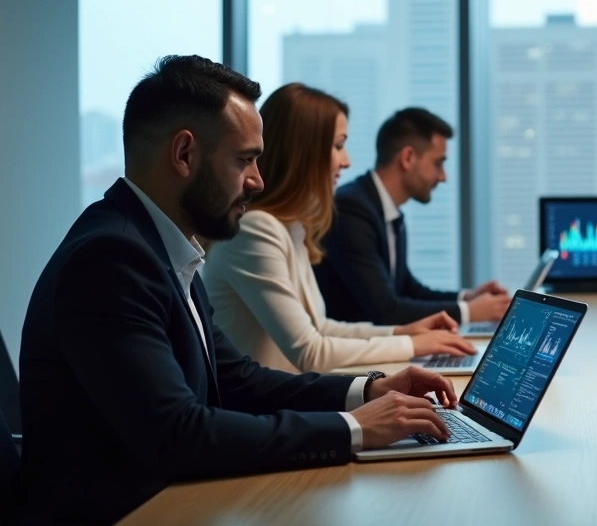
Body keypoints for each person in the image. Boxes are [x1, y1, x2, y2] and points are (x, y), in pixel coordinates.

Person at [20, 56, 462, 524]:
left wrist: (368, 392)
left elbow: (237, 380)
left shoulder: (163, 246)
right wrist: (352, 428)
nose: (258, 180)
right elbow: (179, 433)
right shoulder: (112, 259)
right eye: (245, 159)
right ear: (184, 155)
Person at [205, 84, 474, 374]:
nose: (346, 161)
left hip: (289, 401)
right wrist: (413, 345)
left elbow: (320, 328)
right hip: (261, 412)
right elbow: (310, 351)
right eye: (337, 146)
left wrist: (402, 333)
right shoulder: (256, 230)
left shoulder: (289, 227)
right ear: (304, 152)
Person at [315, 108, 510, 327]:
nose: (442, 177)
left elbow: (408, 289)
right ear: (408, 158)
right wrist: (469, 312)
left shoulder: (385, 212)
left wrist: (466, 298)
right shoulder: (351, 209)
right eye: (438, 163)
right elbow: (386, 310)